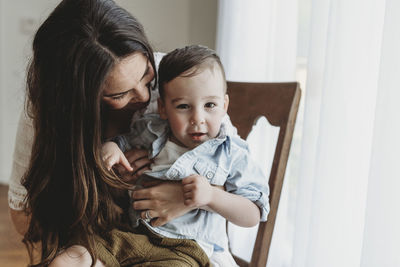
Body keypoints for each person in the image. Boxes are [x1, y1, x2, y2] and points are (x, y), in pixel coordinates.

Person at [7, 0, 213, 266]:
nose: (144, 95)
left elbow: (235, 170)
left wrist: (186, 197)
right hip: (107, 243)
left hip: (184, 244)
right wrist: (105, 186)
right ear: (79, 100)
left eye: (146, 75)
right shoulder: (50, 113)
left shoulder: (180, 81)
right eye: (120, 93)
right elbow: (24, 218)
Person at [101, 45, 270, 266]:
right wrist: (111, 147)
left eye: (210, 105)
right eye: (183, 106)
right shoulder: (153, 130)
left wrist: (211, 196)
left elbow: (253, 213)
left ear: (224, 105)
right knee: (72, 257)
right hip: (135, 235)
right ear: (162, 108)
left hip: (187, 248)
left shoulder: (231, 153)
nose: (197, 118)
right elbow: (123, 142)